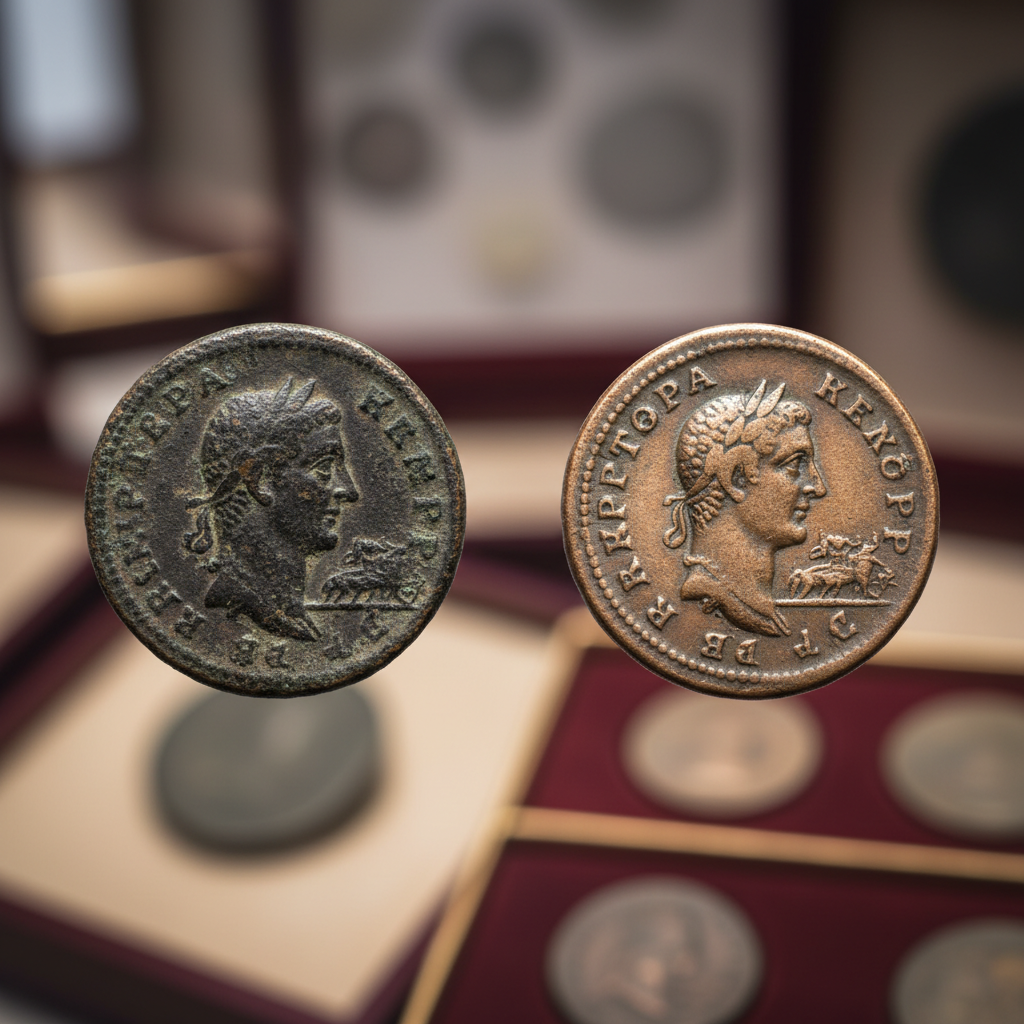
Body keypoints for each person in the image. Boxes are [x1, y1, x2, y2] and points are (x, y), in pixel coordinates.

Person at [184, 377, 358, 641]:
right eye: (323, 469)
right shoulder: (249, 608)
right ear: (258, 480)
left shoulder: (287, 616)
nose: (349, 490)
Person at [663, 380, 826, 637]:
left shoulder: (755, 610)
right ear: (731, 480)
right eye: (794, 465)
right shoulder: (708, 595)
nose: (817, 487)